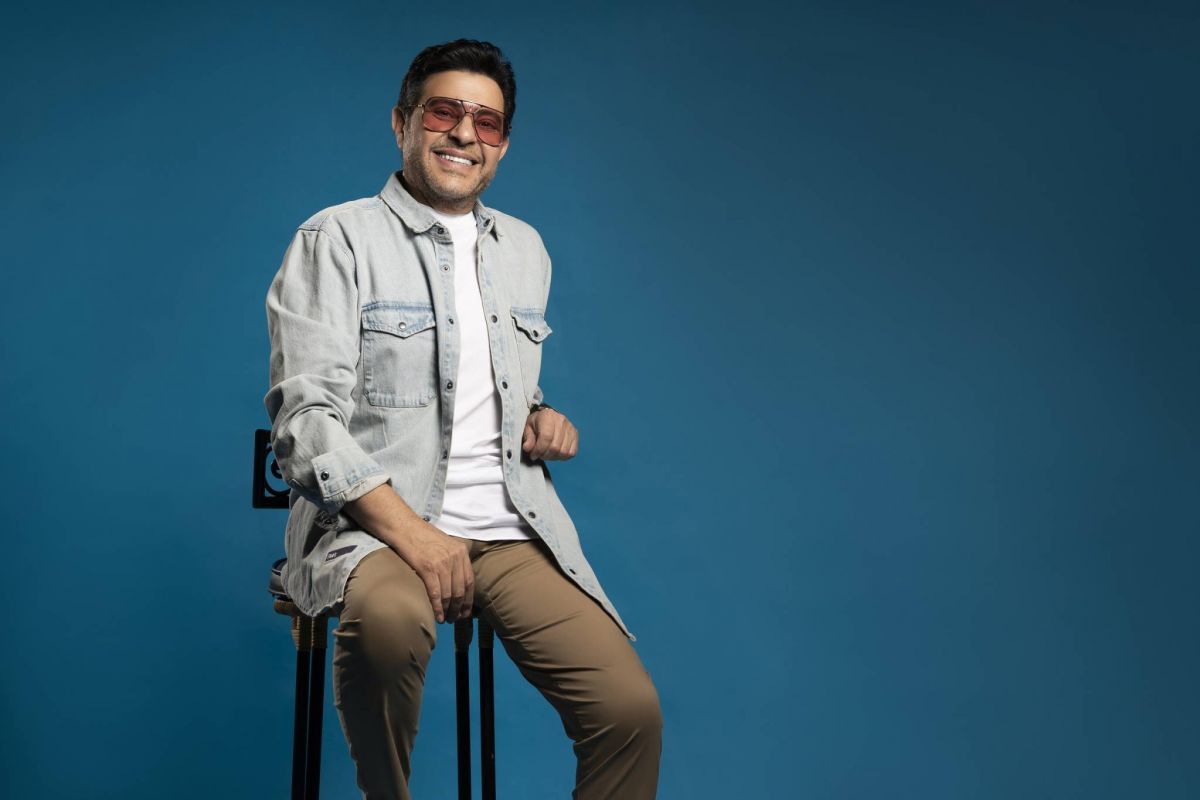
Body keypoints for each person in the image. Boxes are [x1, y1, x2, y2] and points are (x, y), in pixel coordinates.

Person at [263, 39, 662, 799]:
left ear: (503, 143)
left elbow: (482, 381)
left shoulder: (526, 249)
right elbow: (304, 421)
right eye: (444, 112)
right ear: (402, 122)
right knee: (386, 629)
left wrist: (540, 416)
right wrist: (417, 537)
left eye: (488, 122)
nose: (464, 134)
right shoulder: (335, 238)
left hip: (510, 531)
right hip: (379, 529)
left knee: (627, 711)